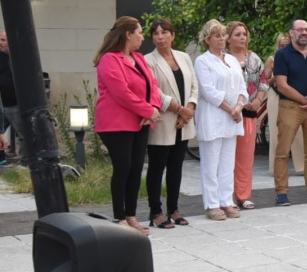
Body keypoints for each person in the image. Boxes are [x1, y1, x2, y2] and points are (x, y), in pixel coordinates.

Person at [94, 17, 162, 235]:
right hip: (115, 124)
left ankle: (131, 216)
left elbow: (153, 85)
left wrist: (153, 108)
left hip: (139, 122)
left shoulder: (139, 58)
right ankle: (119, 217)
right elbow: (121, 93)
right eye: (140, 32)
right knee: (123, 167)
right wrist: (148, 111)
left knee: (135, 169)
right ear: (128, 34)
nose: (143, 37)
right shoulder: (109, 60)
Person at [145, 19, 198, 229]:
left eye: (164, 32)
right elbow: (153, 90)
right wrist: (177, 108)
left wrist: (189, 110)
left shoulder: (184, 57)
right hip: (164, 119)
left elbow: (194, 84)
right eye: (155, 33)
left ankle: (174, 209)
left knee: (176, 167)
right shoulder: (148, 60)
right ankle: (155, 212)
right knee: (157, 168)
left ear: (172, 35)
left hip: (183, 121)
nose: (160, 36)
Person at [194, 19, 247, 221]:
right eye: (217, 36)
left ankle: (227, 201)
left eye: (224, 35)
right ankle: (212, 204)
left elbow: (242, 87)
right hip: (214, 117)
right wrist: (230, 109)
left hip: (232, 118)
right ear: (207, 40)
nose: (222, 39)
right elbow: (208, 91)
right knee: (211, 163)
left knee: (227, 163)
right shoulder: (203, 61)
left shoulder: (232, 60)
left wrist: (239, 107)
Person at [273, 19, 307, 206]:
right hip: (291, 107)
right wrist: (305, 100)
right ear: (292, 33)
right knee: (283, 150)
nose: (304, 33)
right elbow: (282, 85)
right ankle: (281, 193)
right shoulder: (283, 55)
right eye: (300, 30)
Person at [226, 21, 268, 210]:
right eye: (237, 34)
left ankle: (243, 195)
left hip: (249, 113)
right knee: (226, 157)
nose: (242, 37)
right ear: (228, 38)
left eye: (244, 34)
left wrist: (259, 100)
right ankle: (226, 197)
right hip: (227, 113)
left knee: (244, 158)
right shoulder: (223, 58)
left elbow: (263, 82)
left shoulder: (254, 58)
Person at [265, 33, 304, 178]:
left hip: (294, 96)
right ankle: (276, 167)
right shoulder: (272, 60)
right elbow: (264, 81)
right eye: (282, 45)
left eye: (287, 45)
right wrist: (277, 73)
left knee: (299, 130)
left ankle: (302, 166)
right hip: (276, 95)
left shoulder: (298, 57)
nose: (285, 48)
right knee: (276, 131)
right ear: (277, 46)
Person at [0, 30, 26, 164]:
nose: (0, 43)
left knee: (23, 134)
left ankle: (25, 161)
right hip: (2, 103)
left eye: (3, 40)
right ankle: (1, 158)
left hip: (15, 103)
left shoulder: (19, 58)